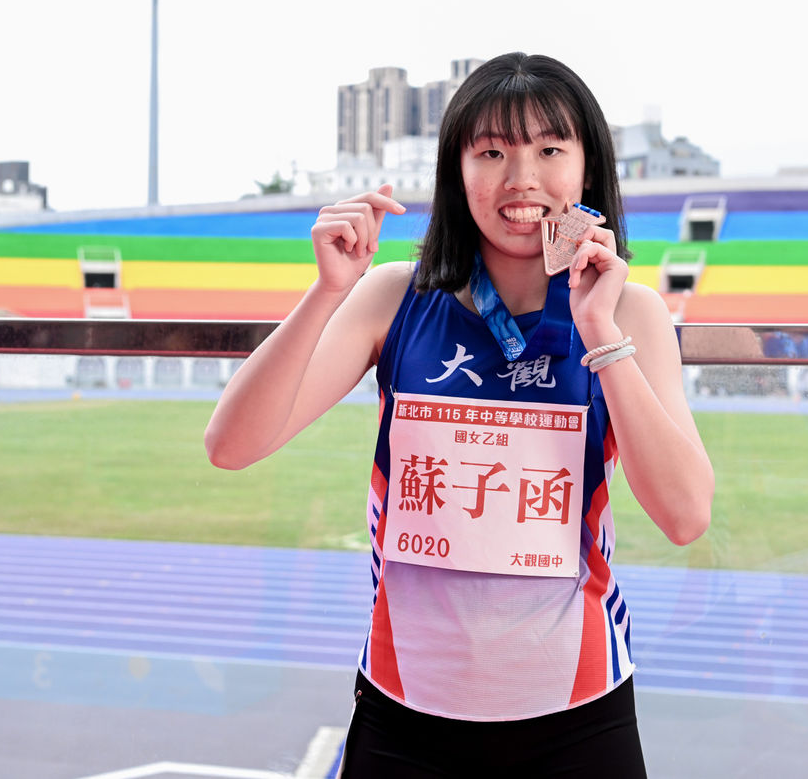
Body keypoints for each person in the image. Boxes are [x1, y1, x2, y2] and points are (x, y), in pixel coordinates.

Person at [205, 52, 714, 778]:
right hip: (405, 712)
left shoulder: (629, 312)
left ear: (588, 170)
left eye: (549, 149)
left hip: (578, 716)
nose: (521, 178)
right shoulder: (394, 297)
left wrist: (600, 332)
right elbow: (231, 444)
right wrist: (327, 292)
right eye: (492, 152)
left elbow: (686, 515)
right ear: (457, 170)